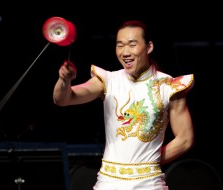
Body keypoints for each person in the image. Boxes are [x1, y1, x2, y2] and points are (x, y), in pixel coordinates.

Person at [53, 19, 194, 190]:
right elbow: (63, 99)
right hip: (109, 182)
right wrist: (64, 80)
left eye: (132, 45)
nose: (125, 52)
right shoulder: (108, 81)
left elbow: (185, 139)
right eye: (120, 46)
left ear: (149, 47)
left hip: (149, 183)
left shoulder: (169, 86)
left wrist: (150, 160)